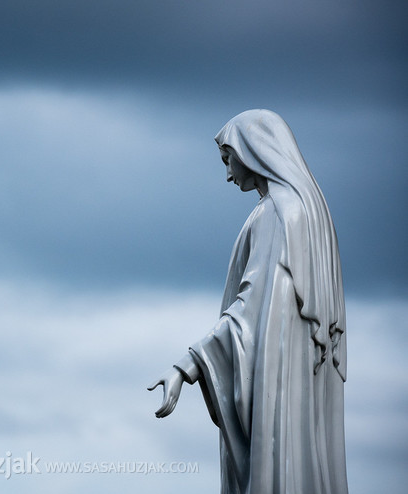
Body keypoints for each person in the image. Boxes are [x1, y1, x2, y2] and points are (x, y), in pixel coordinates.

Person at [148, 109, 348, 493]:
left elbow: (249, 312)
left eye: (228, 160)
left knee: (276, 466)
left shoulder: (276, 213)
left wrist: (185, 367)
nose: (227, 175)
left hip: (279, 374)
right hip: (299, 380)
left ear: (254, 150)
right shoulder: (308, 214)